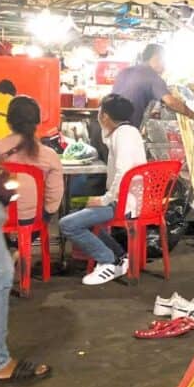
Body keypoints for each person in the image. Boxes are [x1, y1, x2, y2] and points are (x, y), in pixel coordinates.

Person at [59, 94, 146, 285]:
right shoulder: (128, 132)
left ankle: (108, 261)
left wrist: (104, 199)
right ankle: (119, 255)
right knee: (78, 214)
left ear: (105, 116)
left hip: (124, 203)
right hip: (129, 199)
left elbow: (123, 172)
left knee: (68, 224)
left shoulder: (122, 135)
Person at [0, 146, 50, 383]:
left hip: (7, 217)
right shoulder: (46, 153)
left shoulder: (1, 142)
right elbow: (53, 198)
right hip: (26, 219)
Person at [0, 96, 63, 226]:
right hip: (31, 222)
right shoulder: (50, 156)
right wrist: (45, 215)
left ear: (8, 122)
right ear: (37, 123)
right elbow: (54, 198)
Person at [111, 44, 194, 129]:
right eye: (164, 60)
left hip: (111, 127)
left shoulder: (125, 71)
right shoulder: (151, 75)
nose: (165, 65)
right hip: (128, 129)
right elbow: (171, 102)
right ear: (157, 57)